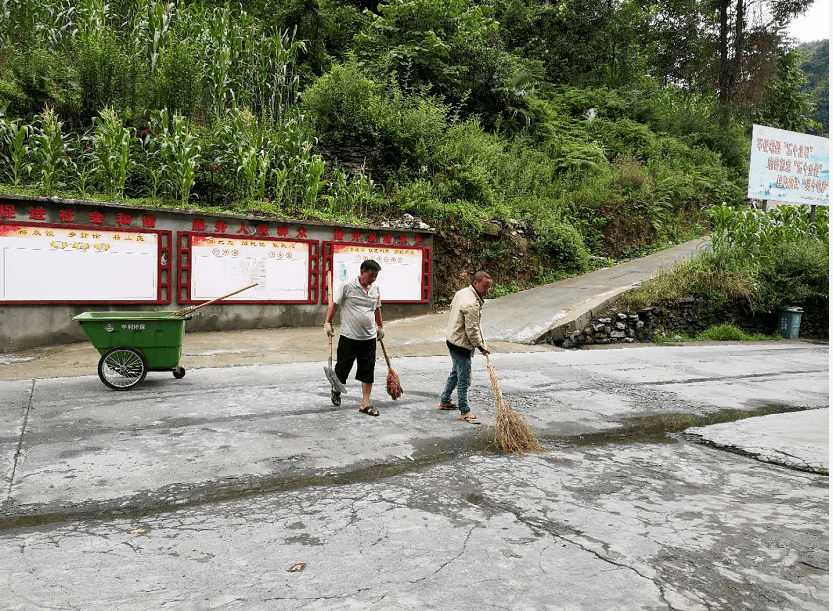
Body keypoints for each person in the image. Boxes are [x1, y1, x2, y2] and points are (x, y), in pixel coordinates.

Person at [324, 259, 384, 416]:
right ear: (362, 272)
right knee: (342, 370)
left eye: (375, 276)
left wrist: (380, 326)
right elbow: (334, 305)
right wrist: (328, 323)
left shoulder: (375, 288)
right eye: (371, 275)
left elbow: (377, 308)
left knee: (368, 371)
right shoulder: (347, 286)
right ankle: (336, 389)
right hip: (349, 337)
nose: (373, 279)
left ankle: (365, 403)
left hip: (369, 338)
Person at [439, 271, 493, 424]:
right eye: (484, 287)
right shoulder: (472, 304)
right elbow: (472, 331)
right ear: (476, 283)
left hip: (451, 338)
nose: (487, 290)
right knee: (464, 378)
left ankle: (445, 400)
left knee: (456, 372)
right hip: (461, 344)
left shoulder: (463, 292)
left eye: (489, 287)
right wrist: (482, 348)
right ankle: (465, 410)